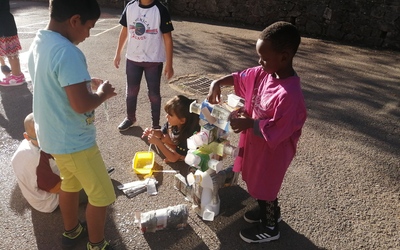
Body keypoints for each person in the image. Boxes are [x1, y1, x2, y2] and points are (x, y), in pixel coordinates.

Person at [27, 0, 117, 249]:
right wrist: (102, 93)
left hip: (53, 138)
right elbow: (81, 105)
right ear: (75, 20)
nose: (89, 35)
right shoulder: (68, 51)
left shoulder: (41, 42)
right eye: (89, 27)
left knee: (70, 182)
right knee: (101, 195)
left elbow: (55, 83)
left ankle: (72, 230)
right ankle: (97, 244)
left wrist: (85, 82)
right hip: (75, 141)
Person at [207, 21, 307, 243]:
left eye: (264, 58)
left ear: (284, 56)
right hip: (256, 146)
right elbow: (241, 77)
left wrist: (250, 125)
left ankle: (271, 227)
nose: (260, 63)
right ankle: (267, 212)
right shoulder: (265, 73)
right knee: (257, 182)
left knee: (267, 187)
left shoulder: (290, 95)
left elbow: (280, 130)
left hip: (273, 153)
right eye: (259, 57)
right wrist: (218, 82)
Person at [114, 0, 174, 131]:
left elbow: (168, 38)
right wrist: (118, 53)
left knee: (154, 95)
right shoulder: (130, 6)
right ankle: (130, 118)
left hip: (153, 60)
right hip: (132, 59)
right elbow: (124, 31)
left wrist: (169, 64)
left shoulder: (160, 9)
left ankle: (155, 126)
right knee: (131, 92)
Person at [11, 113, 61, 213]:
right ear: (26, 136)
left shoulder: (28, 144)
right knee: (94, 188)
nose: (47, 141)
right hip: (50, 201)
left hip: (36, 192)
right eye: (41, 138)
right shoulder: (37, 161)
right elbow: (56, 188)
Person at [142, 95, 200, 163]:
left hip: (190, 151)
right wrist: (152, 131)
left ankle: (181, 157)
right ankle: (178, 154)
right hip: (179, 145)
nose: (166, 116)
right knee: (164, 137)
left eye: (170, 115)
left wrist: (158, 143)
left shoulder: (189, 135)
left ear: (182, 120)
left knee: (187, 158)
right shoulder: (172, 123)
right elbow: (161, 133)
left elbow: (173, 159)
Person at [0, 0, 25, 86]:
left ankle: (16, 76)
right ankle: (17, 74)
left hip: (4, 26)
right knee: (11, 52)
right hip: (6, 24)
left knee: (12, 53)